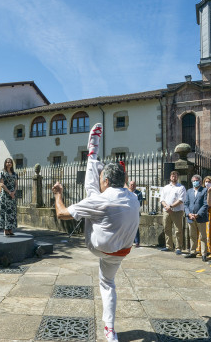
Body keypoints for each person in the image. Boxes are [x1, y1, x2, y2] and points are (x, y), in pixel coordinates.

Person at [52, 123, 139, 342]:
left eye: (101, 178)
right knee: (108, 284)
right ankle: (109, 330)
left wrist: (58, 194)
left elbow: (61, 214)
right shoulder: (133, 197)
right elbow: (125, 191)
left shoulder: (100, 199)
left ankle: (92, 154)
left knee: (90, 193)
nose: (100, 182)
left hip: (98, 246)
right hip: (121, 251)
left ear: (107, 181)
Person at [160, 171, 186, 255]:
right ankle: (169, 246)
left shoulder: (181, 187)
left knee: (178, 230)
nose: (173, 177)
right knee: (166, 229)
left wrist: (170, 206)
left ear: (177, 177)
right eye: (172, 176)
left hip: (177, 211)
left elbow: (181, 200)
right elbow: (162, 199)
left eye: (175, 176)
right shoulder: (166, 187)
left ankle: (178, 247)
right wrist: (166, 207)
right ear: (170, 177)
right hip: (166, 211)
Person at [184, 174, 208, 261]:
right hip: (190, 217)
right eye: (193, 181)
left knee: (203, 236)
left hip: (200, 217)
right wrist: (189, 214)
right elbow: (186, 204)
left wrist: (198, 214)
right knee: (192, 235)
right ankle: (192, 252)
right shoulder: (189, 191)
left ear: (200, 182)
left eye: (196, 180)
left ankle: (204, 253)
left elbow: (206, 204)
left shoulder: (204, 190)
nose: (195, 182)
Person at [0, 158, 18, 236]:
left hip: (12, 195)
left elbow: (16, 184)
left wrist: (14, 192)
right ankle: (5, 229)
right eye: (7, 162)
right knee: (6, 211)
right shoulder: (2, 172)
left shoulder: (14, 174)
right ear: (5, 163)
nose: (9, 163)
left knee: (12, 212)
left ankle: (10, 229)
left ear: (12, 164)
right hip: (5, 195)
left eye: (10, 162)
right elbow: (1, 184)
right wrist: (9, 192)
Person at [203, 176, 211, 259]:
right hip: (203, 212)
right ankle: (203, 250)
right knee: (203, 232)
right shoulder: (202, 190)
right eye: (206, 181)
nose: (207, 183)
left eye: (209, 181)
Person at [128, 181, 144, 247]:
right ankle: (129, 241)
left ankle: (137, 242)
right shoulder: (127, 193)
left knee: (135, 227)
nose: (132, 186)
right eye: (131, 185)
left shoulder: (139, 193)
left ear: (135, 186)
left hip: (135, 212)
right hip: (127, 213)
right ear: (129, 185)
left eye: (133, 185)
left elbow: (139, 203)